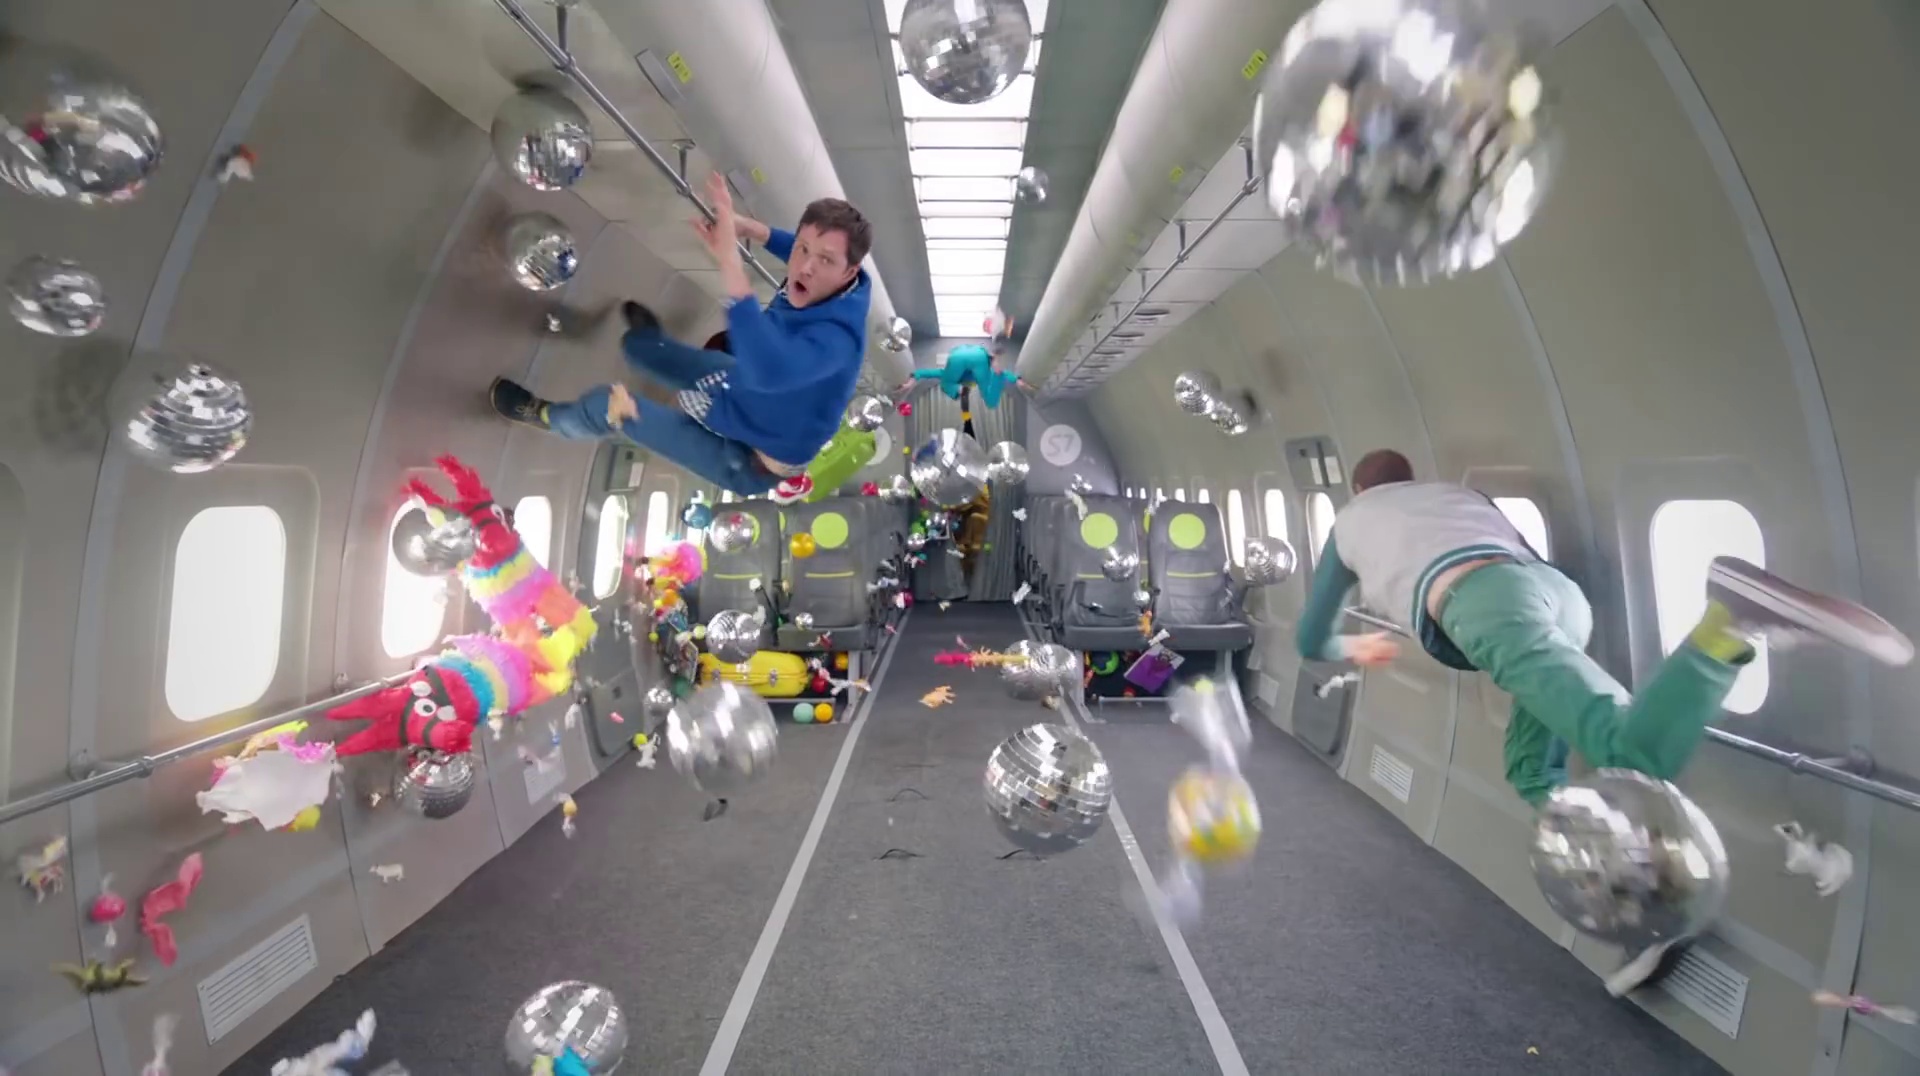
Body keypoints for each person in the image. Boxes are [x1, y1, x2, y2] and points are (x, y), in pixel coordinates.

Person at [1294, 448, 1913, 995]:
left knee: (1629, 756)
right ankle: (1640, 905)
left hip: (1483, 608)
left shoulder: (1350, 522)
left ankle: (1728, 624)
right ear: (1409, 477)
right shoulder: (1458, 495)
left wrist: (1356, 645)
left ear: (1358, 489)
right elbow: (1515, 555)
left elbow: (1311, 638)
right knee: (1532, 771)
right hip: (1557, 597)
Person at [489, 173, 873, 505]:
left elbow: (768, 370)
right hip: (742, 390)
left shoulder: (837, 342)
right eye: (804, 249)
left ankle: (546, 416)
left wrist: (729, 260)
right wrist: (755, 230)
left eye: (825, 260)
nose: (805, 267)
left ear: (849, 271)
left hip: (752, 459)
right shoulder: (837, 281)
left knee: (610, 406)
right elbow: (804, 249)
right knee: (641, 351)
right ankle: (647, 340)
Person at [898, 342, 1029, 411]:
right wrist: (1017, 380)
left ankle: (992, 364)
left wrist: (910, 382)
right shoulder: (978, 375)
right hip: (978, 353)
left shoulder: (946, 375)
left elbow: (924, 373)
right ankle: (993, 362)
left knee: (990, 402)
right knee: (989, 395)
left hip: (957, 356)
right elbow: (924, 373)